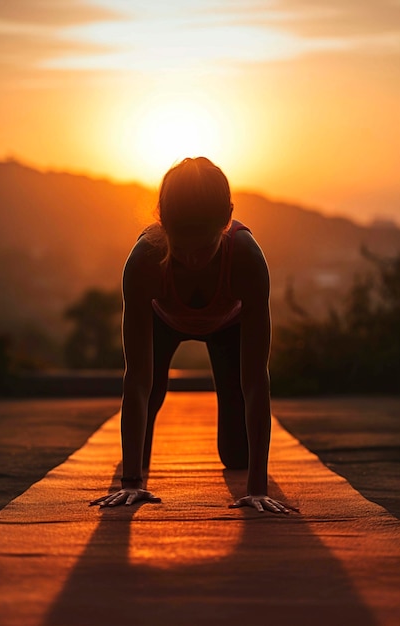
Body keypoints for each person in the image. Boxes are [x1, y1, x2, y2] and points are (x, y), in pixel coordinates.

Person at [90, 157, 295, 514]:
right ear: (162, 224)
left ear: (227, 219)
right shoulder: (145, 260)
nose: (194, 260)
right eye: (181, 250)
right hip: (162, 321)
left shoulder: (246, 257)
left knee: (236, 456)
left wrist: (257, 488)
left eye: (204, 248)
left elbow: (255, 382)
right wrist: (132, 482)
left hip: (227, 326)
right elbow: (136, 379)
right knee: (149, 399)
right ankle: (133, 467)